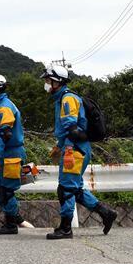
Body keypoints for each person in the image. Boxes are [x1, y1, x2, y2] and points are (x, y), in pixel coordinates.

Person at [42, 66, 117, 239]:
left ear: (57, 81)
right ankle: (106, 213)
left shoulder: (68, 99)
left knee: (66, 189)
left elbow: (72, 128)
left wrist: (66, 146)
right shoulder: (62, 98)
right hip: (73, 148)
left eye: (48, 81)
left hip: (74, 150)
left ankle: (66, 229)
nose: (46, 84)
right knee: (74, 189)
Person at [0, 74, 32, 235]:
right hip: (6, 154)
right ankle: (13, 219)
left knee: (6, 191)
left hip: (11, 155)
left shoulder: (4, 107)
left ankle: (13, 222)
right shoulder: (1, 105)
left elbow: (6, 134)